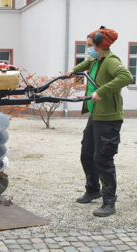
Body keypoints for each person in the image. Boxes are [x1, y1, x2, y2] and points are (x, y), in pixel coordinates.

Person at [66, 26, 133, 217]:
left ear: (100, 45)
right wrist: (74, 70)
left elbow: (126, 77)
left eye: (89, 45)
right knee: (87, 155)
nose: (88, 49)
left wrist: (101, 91)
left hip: (109, 119)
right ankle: (93, 190)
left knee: (103, 160)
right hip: (95, 116)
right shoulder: (97, 59)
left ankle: (109, 202)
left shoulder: (111, 61)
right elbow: (87, 63)